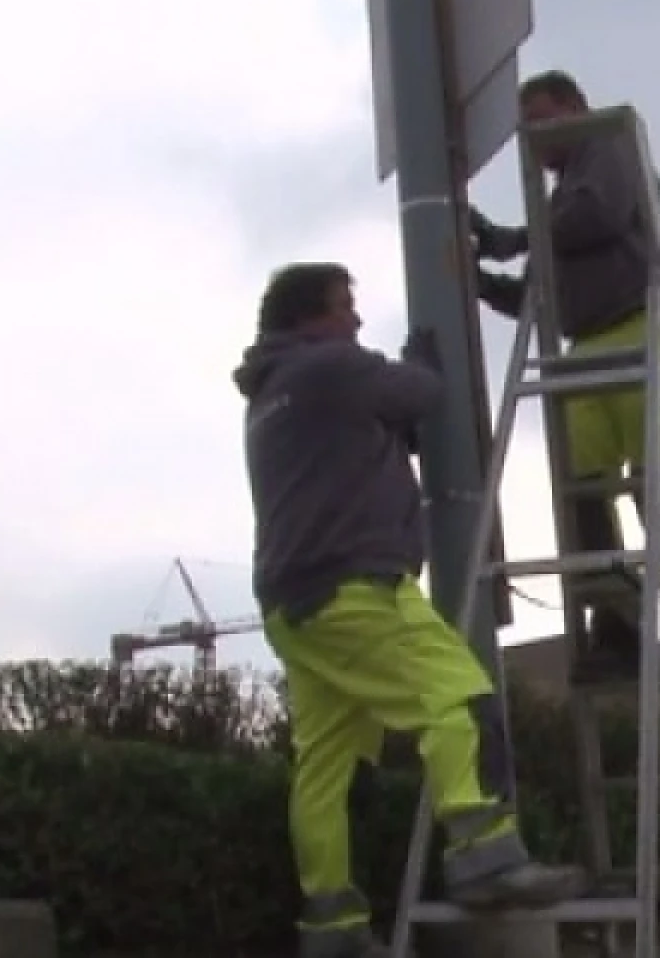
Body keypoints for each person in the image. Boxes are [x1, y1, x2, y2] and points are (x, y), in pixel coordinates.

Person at [234, 263, 583, 958]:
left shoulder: (269, 395)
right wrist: (422, 359)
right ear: (309, 320)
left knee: (326, 766)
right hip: (356, 586)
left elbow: (374, 431)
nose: (357, 322)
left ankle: (331, 927)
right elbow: (421, 393)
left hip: (291, 604)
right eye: (345, 308)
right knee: (458, 692)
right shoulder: (331, 366)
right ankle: (485, 854)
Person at [465, 69, 660, 684]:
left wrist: (511, 238)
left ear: (576, 107)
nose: (540, 140)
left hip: (645, 321)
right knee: (581, 487)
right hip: (586, 342)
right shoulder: (560, 198)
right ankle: (616, 623)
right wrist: (479, 278)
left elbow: (598, 218)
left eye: (546, 121)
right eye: (528, 131)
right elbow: (537, 291)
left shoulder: (609, 145)